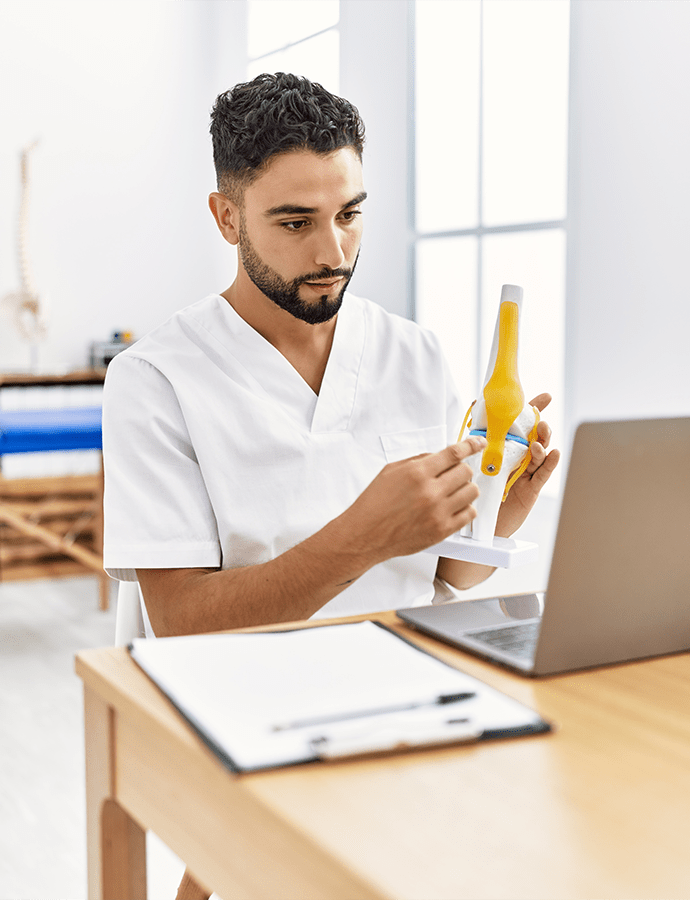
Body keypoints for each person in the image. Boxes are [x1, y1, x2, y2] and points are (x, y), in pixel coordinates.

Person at [102, 72, 559, 641]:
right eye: (296, 222)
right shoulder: (155, 380)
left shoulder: (415, 353)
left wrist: (504, 503)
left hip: (417, 671)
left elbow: (453, 571)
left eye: (348, 215)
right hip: (246, 693)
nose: (332, 252)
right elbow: (181, 622)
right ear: (227, 218)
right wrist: (364, 534)